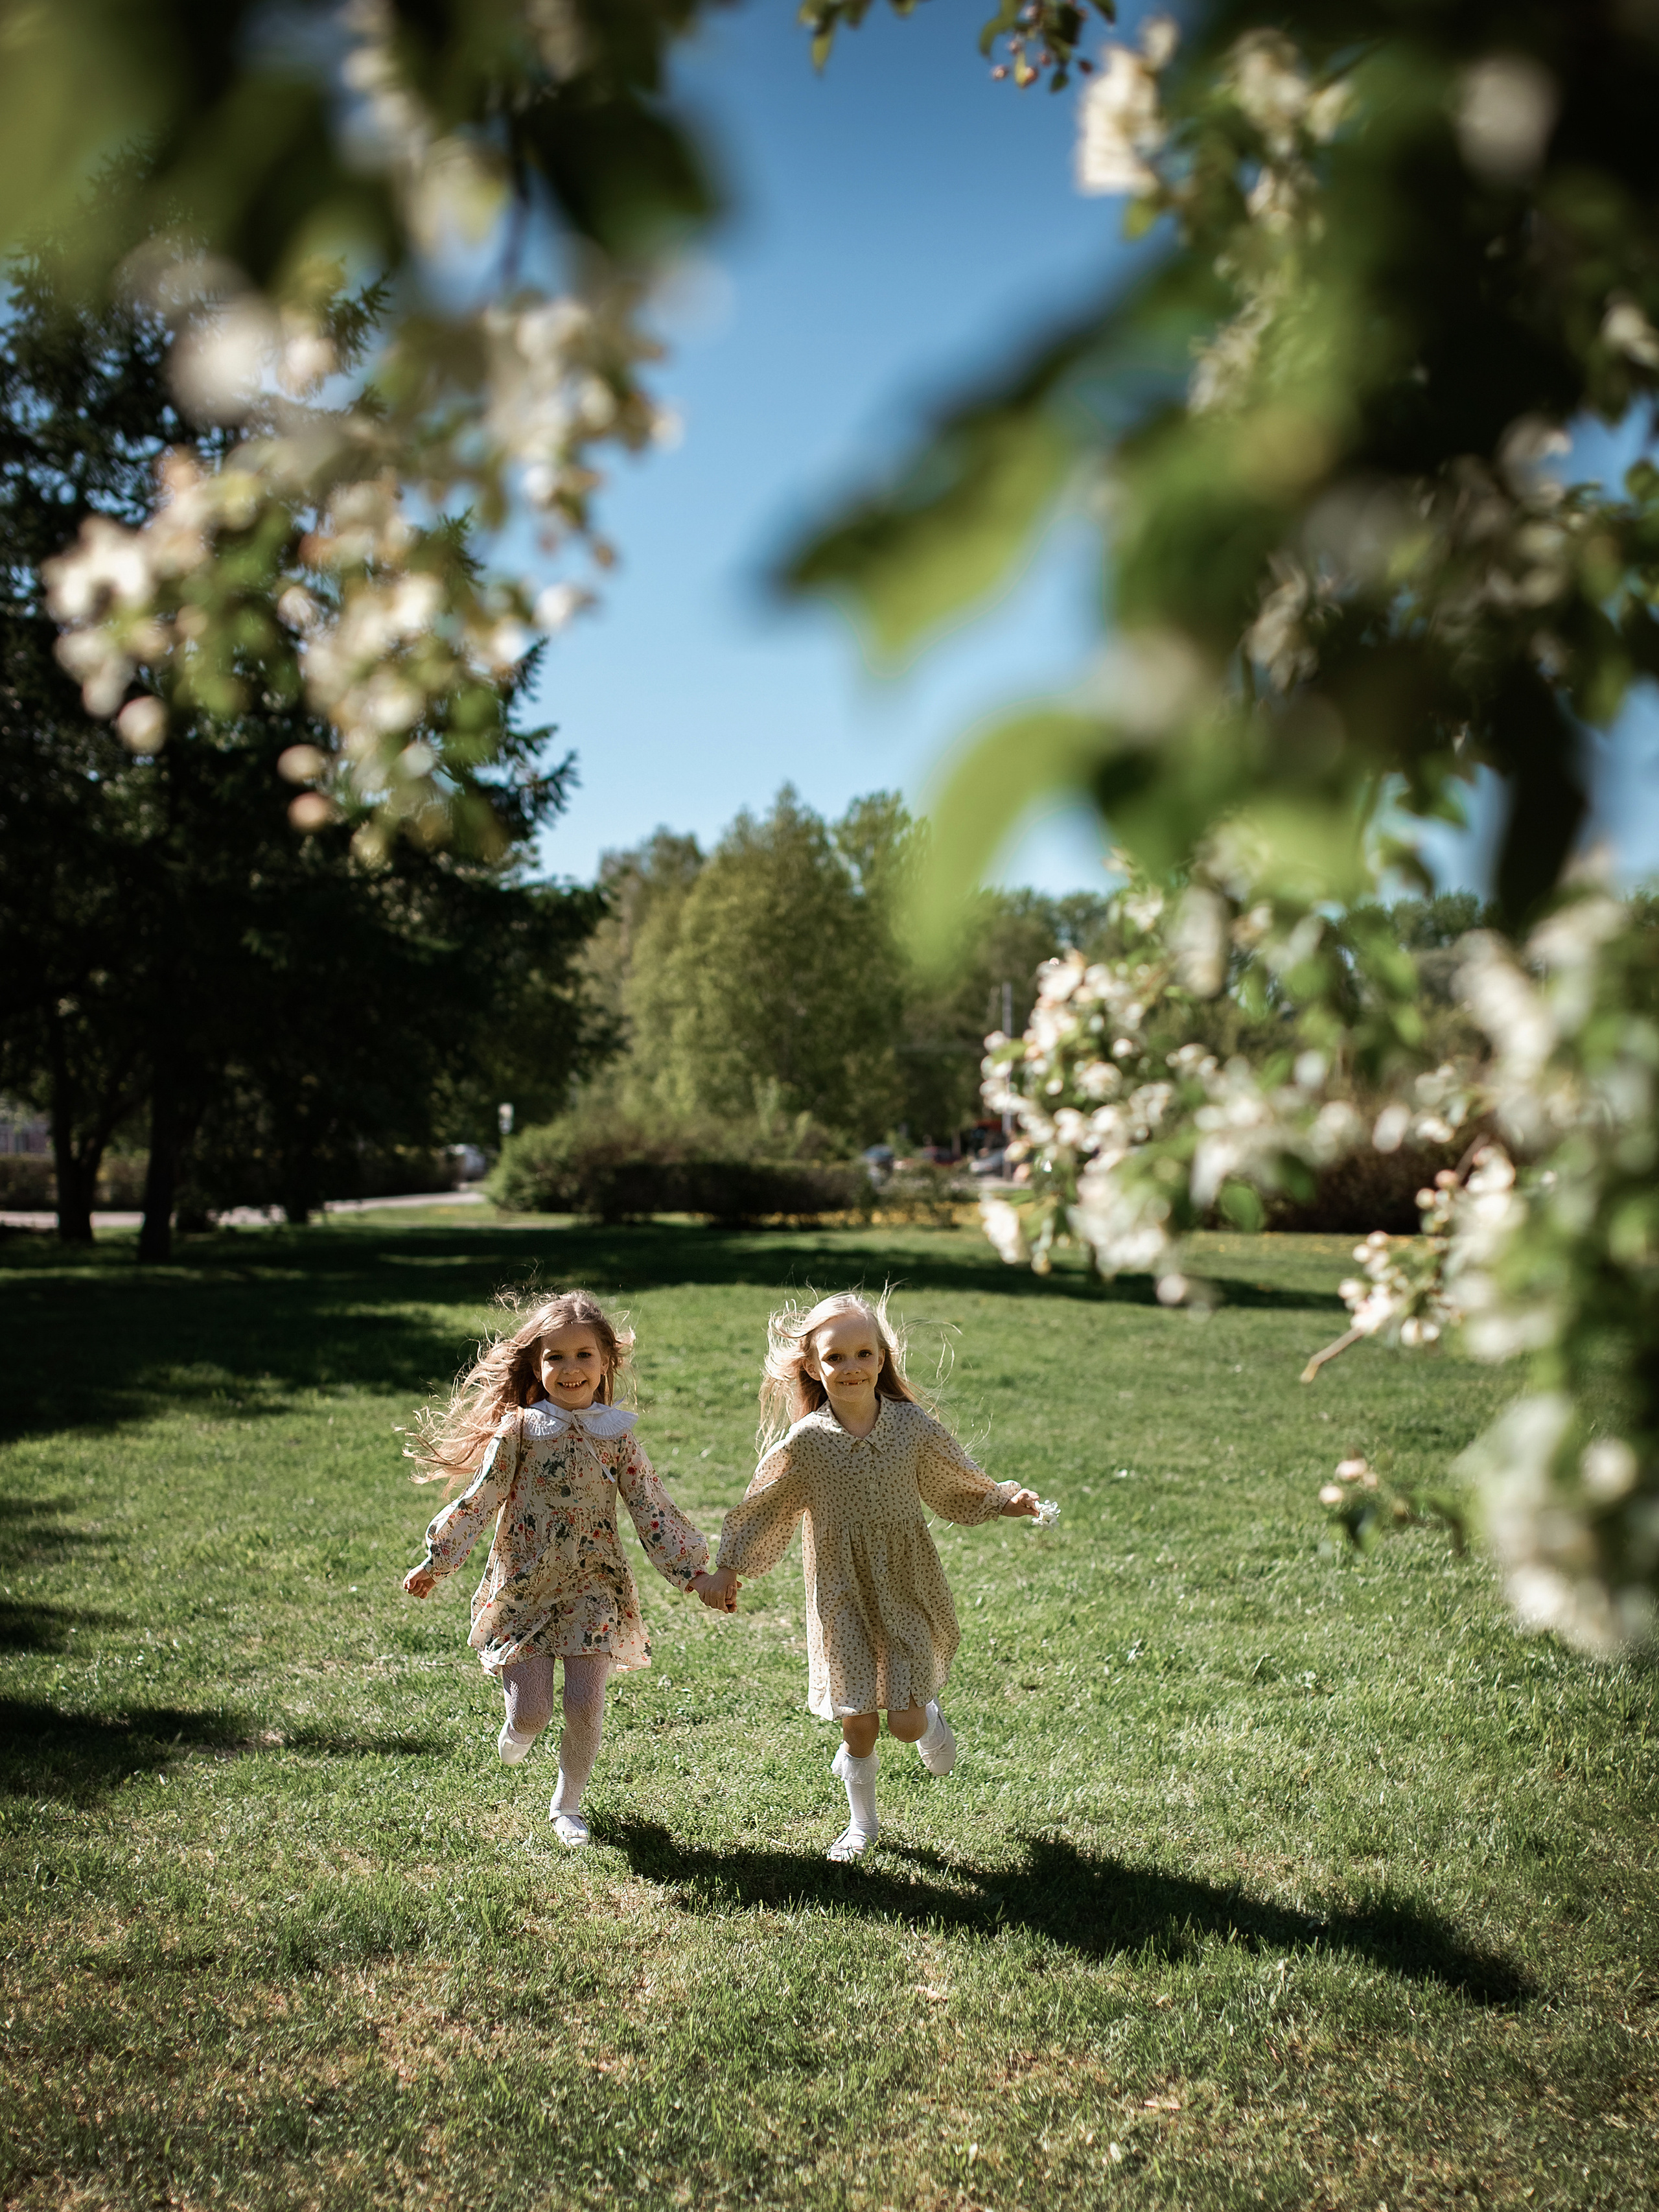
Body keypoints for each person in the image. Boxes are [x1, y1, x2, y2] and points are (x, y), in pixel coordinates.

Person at [402, 1288, 739, 1845]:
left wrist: (694, 1574)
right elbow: (483, 1497)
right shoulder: (520, 1431)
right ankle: (519, 1726)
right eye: (556, 1356)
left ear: (605, 1361)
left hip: (593, 1585)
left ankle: (568, 1804)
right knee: (533, 1712)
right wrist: (438, 1561)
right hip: (525, 1587)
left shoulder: (617, 1435)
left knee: (585, 1703)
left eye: (584, 1354)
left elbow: (651, 1508)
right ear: (537, 1365)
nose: (571, 1367)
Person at [715, 1292, 1040, 1861]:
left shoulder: (911, 1426)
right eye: (835, 1357)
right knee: (860, 1723)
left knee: (906, 1723)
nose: (850, 1367)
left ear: (883, 1358)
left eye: (863, 1352)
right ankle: (862, 1823)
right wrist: (729, 1566)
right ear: (814, 1366)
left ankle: (930, 1720)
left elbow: (952, 1480)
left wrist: (1003, 1501)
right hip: (841, 1594)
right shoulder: (809, 1442)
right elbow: (766, 1505)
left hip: (907, 1584)